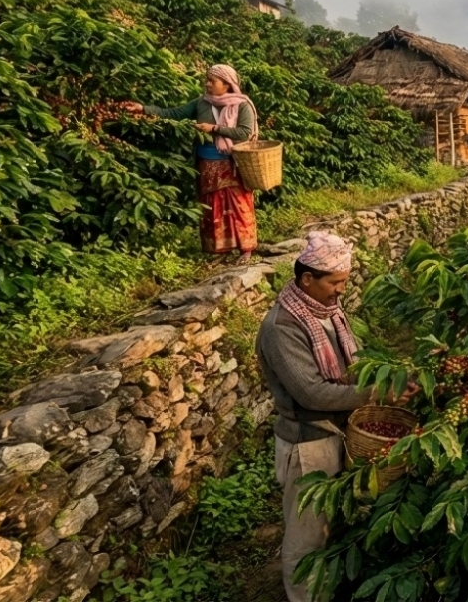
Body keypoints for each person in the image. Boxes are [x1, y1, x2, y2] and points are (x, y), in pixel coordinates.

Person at [255, 231, 417, 602]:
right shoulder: (282, 327)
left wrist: (389, 377)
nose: (340, 290)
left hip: (337, 432)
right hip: (308, 441)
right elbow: (313, 393)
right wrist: (378, 391)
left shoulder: (327, 311)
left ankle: (327, 589)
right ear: (306, 278)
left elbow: (352, 363)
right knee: (307, 533)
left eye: (343, 282)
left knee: (334, 523)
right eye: (334, 282)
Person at [123, 64, 259, 262]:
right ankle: (220, 249)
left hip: (232, 163)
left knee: (237, 204)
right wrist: (143, 109)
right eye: (207, 80)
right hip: (206, 161)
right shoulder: (201, 103)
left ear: (227, 84)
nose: (208, 84)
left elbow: (244, 132)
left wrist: (214, 128)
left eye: (213, 81)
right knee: (212, 206)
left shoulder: (242, 105)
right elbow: (173, 113)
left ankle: (245, 249)